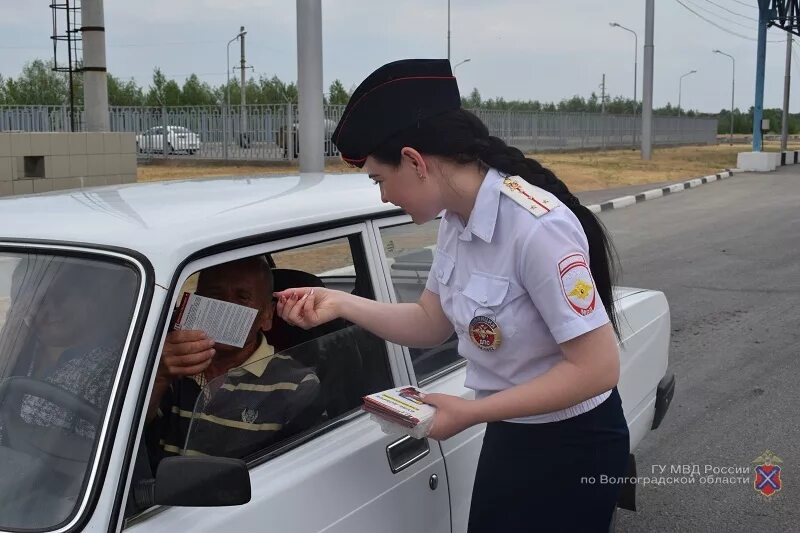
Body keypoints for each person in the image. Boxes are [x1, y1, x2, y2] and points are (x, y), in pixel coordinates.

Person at [274, 59, 629, 532]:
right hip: (513, 433)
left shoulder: (535, 227)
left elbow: (598, 368)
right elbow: (430, 322)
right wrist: (338, 303)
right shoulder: (456, 224)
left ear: (416, 162)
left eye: (380, 180)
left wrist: (471, 412)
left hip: (573, 444)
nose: (382, 198)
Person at [146, 256, 323, 461]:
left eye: (242, 297)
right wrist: (159, 375)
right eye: (215, 295)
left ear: (266, 315)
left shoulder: (297, 385)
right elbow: (131, 434)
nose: (226, 306)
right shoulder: (170, 365)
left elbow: (297, 471)